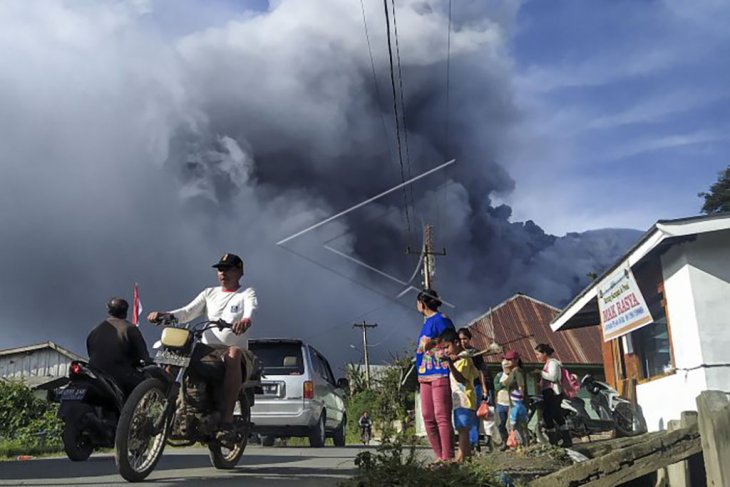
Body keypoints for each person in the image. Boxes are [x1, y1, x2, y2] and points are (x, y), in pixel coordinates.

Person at [147, 253, 257, 442]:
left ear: (240, 271)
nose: (223, 273)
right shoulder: (209, 293)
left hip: (235, 353)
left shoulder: (246, 293)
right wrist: (165, 316)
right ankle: (168, 407)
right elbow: (187, 312)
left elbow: (250, 309)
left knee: (233, 352)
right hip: (208, 351)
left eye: (228, 269)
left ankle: (227, 421)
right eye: (220, 270)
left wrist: (245, 321)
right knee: (179, 349)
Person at [415, 288, 455, 462]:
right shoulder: (426, 322)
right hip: (425, 373)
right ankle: (439, 456)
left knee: (441, 415)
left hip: (439, 370)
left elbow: (451, 338)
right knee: (427, 416)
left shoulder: (442, 319)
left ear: (422, 304)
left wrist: (434, 343)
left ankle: (447, 457)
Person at [87, 297, 150, 395]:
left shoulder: (95, 330)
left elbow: (90, 352)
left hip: (94, 373)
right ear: (125, 312)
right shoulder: (130, 329)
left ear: (109, 310)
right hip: (120, 377)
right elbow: (144, 356)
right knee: (147, 385)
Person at [442, 328, 479, 463]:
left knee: (462, 428)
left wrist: (451, 364)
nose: (446, 351)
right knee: (461, 427)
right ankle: (467, 457)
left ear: (456, 343)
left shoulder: (464, 359)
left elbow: (461, 379)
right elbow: (474, 373)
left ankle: (461, 456)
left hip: (464, 398)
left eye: (447, 347)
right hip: (459, 399)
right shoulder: (460, 359)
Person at [457, 327, 493, 451]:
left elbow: (481, 371)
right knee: (463, 414)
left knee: (475, 414)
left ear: (469, 339)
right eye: (460, 339)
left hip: (475, 385)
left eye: (465, 339)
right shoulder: (456, 354)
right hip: (461, 387)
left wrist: (484, 389)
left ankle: (475, 441)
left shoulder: (475, 353)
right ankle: (468, 442)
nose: (463, 342)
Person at [534, 343, 572, 447]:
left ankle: (557, 440)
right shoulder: (548, 364)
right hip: (549, 393)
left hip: (554, 393)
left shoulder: (553, 363)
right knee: (553, 415)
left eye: (538, 354)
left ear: (545, 353)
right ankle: (559, 440)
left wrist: (540, 373)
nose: (537, 357)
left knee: (551, 415)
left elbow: (554, 377)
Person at [494, 350, 526, 450]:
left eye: (509, 360)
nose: (506, 363)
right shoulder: (501, 375)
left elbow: (521, 387)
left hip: (514, 403)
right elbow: (497, 386)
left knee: (513, 425)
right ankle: (511, 443)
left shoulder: (517, 372)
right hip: (505, 402)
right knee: (504, 424)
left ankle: (517, 445)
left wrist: (520, 398)